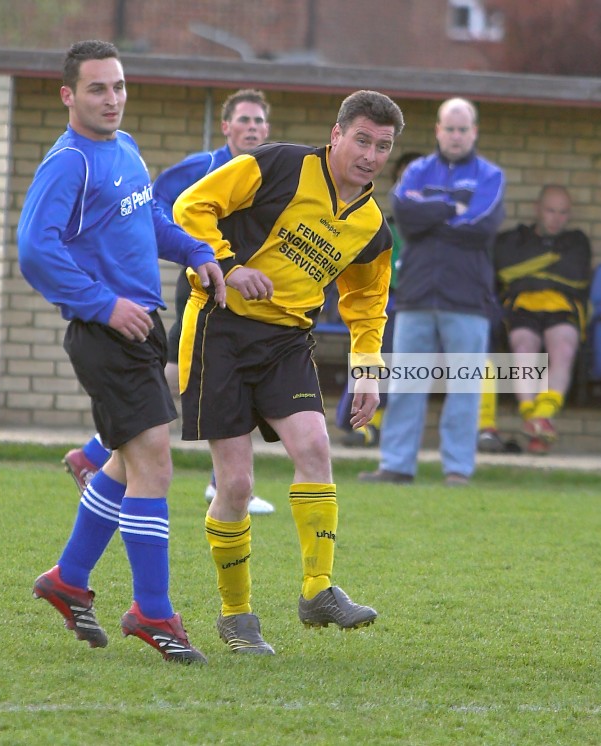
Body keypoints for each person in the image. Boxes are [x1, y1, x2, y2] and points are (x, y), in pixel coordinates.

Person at [172, 89, 405, 654]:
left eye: (383, 146)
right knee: (237, 483)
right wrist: (226, 265)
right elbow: (189, 208)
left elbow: (368, 304)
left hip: (286, 341)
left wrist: (368, 372)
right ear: (336, 134)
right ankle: (235, 615)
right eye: (362, 140)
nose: (371, 154)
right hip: (219, 329)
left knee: (316, 450)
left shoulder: (373, 226)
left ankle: (318, 590)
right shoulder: (278, 164)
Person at [19, 40, 224, 664]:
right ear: (69, 95)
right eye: (98, 89)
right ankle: (153, 612)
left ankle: (68, 579)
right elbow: (35, 248)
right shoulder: (69, 164)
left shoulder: (125, 146)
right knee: (154, 468)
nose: (112, 99)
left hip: (138, 330)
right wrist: (103, 303)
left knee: (123, 465)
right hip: (108, 334)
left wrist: (193, 250)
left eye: (119, 86)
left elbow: (148, 218)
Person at [62, 89, 276, 516]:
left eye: (259, 122)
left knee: (177, 373)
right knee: (218, 374)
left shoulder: (266, 170)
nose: (252, 128)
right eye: (245, 120)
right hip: (203, 282)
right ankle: (226, 484)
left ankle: (95, 453)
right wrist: (192, 245)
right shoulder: (202, 167)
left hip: (237, 284)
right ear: (226, 127)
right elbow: (152, 202)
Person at [359, 97, 506, 486]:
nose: (456, 136)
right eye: (449, 128)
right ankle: (395, 466)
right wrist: (453, 205)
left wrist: (431, 209)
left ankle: (457, 469)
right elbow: (405, 214)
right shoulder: (418, 170)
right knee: (406, 382)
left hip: (468, 299)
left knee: (464, 388)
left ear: (473, 132)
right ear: (438, 131)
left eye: (463, 129)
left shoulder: (490, 175)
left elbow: (482, 225)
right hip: (417, 294)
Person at [486, 184, 592, 454]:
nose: (557, 218)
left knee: (564, 346)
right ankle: (534, 417)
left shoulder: (577, 241)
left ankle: (540, 416)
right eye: (551, 211)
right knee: (523, 346)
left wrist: (527, 270)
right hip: (523, 306)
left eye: (563, 213)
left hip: (562, 306)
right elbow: (505, 270)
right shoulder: (513, 239)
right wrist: (551, 265)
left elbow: (575, 275)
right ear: (537, 210)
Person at [338, 150, 423, 447]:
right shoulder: (381, 226)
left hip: (425, 305)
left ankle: (385, 425)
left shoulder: (436, 235)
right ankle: (360, 422)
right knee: (379, 339)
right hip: (387, 301)